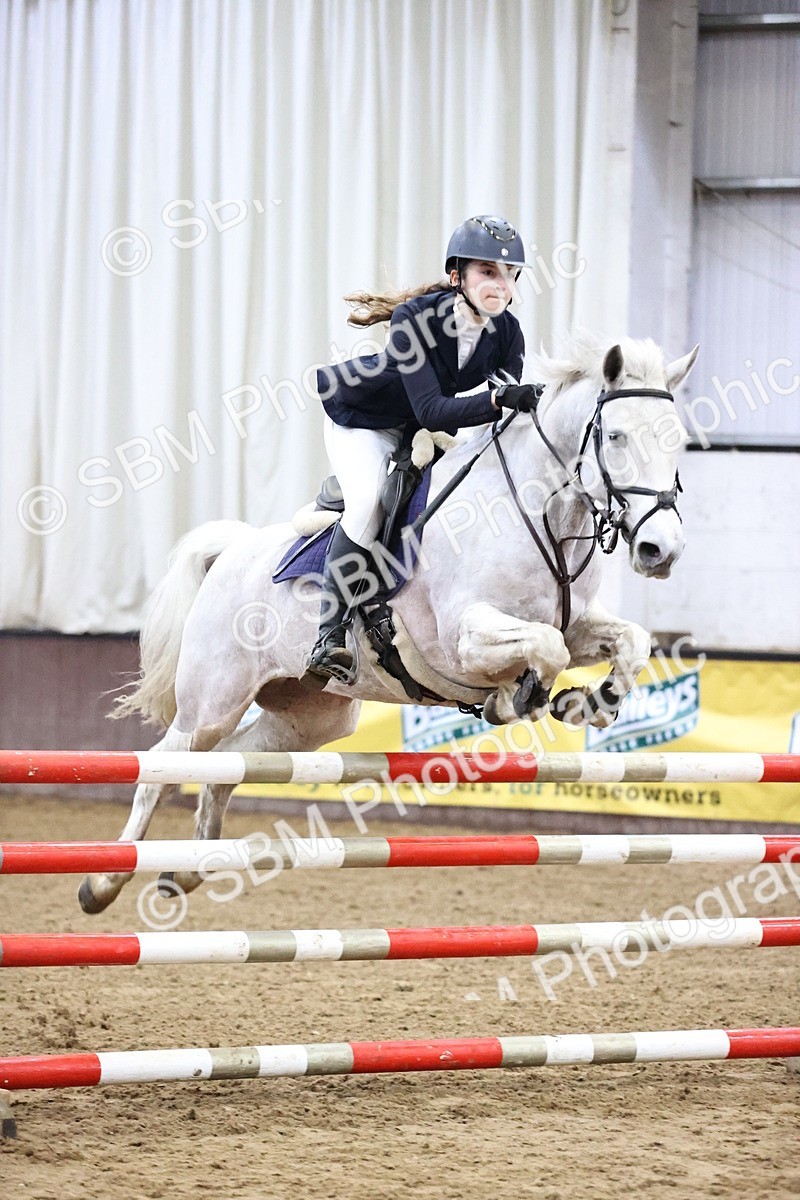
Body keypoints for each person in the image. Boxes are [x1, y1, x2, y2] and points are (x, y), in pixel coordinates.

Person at [306, 214, 542, 684]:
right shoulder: (415, 319)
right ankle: (328, 636)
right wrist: (498, 399)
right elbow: (437, 409)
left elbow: (500, 412)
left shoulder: (508, 333)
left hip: (417, 426)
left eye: (510, 274)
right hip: (364, 421)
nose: (502, 284)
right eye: (488, 272)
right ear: (457, 277)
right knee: (369, 503)